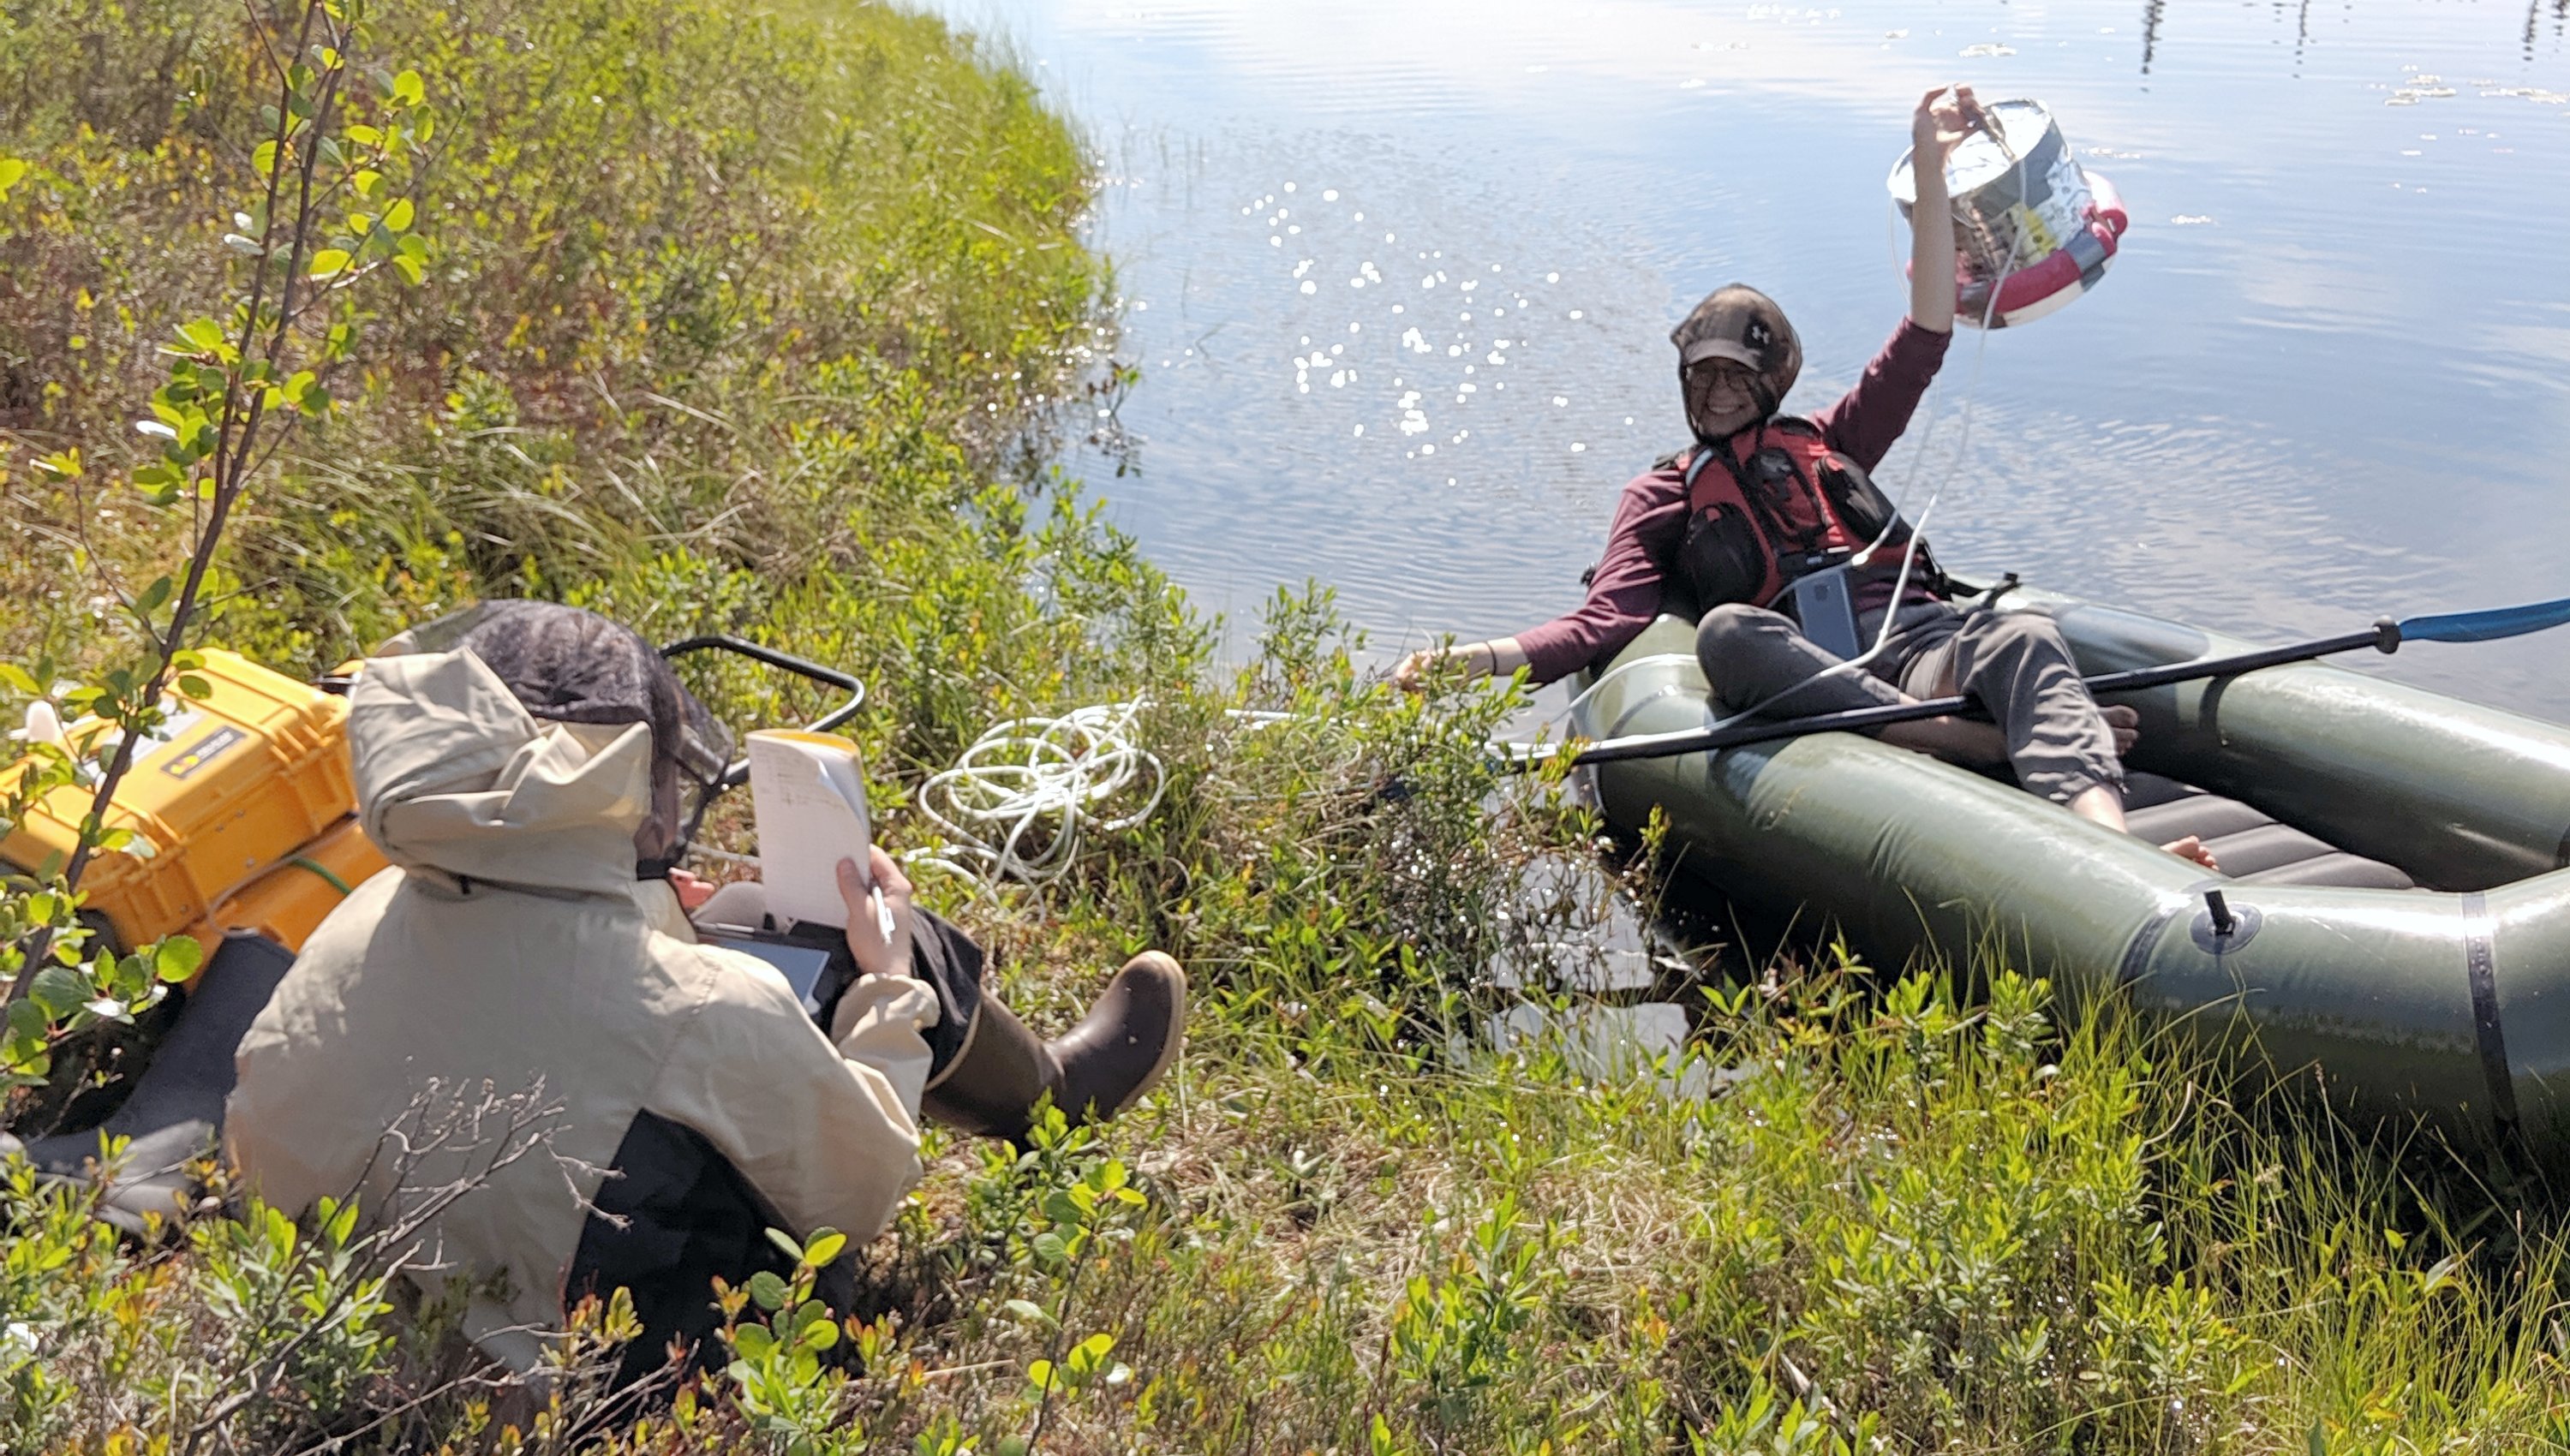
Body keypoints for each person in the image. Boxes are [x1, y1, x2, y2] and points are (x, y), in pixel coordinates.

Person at [225, 600, 1187, 1386]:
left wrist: (633, 897)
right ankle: (1050, 1096)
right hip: (556, 1399)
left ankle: (1045, 1087)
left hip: (330, 1348)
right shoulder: (697, 1004)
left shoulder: (357, 911)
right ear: (628, 786)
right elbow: (862, 1187)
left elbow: (530, 974)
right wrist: (887, 984)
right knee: (867, 962)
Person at [1395, 86, 2214, 869]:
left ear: (1771, 380)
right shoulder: (1664, 494)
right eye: (1702, 378)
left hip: (1920, 653)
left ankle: (2112, 846)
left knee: (2022, 634)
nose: (1716, 394)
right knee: (1725, 634)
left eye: (1734, 377)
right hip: (1808, 671)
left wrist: (1930, 162)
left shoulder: (1835, 437)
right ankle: (1973, 742)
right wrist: (1467, 662)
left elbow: (1927, 331)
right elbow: (1600, 625)